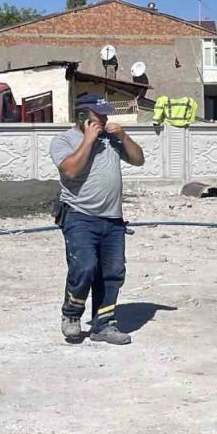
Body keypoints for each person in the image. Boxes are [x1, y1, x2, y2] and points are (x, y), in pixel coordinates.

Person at [50, 94, 146, 345]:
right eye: (99, 115)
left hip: (113, 219)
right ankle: (72, 315)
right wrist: (88, 140)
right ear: (82, 115)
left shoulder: (110, 140)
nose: (104, 119)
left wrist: (123, 137)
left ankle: (103, 325)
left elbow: (138, 159)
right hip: (79, 216)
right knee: (84, 267)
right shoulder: (64, 140)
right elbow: (70, 171)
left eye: (105, 115)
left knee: (113, 273)